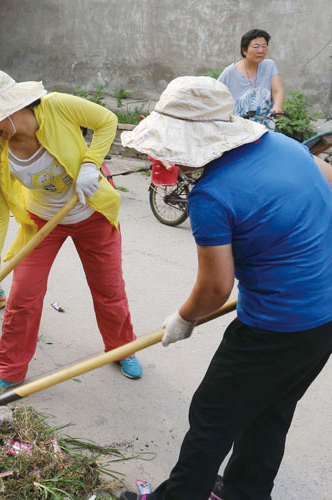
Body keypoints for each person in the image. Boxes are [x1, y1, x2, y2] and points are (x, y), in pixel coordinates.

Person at [119, 76, 332, 500]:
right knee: (270, 413)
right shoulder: (288, 147)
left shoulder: (212, 196)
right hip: (322, 323)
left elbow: (215, 287)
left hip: (272, 331)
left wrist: (184, 318)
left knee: (212, 419)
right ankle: (244, 493)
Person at [0, 70, 143, 396]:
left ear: (12, 108)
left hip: (92, 215)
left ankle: (122, 349)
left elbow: (106, 121)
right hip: (42, 223)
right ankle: (9, 370)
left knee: (109, 290)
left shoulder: (57, 107)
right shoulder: (0, 155)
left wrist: (90, 163)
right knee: (22, 298)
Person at [218, 29, 284, 131]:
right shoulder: (229, 72)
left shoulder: (269, 65)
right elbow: (215, 96)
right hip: (239, 130)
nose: (261, 51)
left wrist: (277, 107)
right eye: (256, 47)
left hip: (265, 128)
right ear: (244, 50)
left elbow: (277, 90)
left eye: (264, 46)